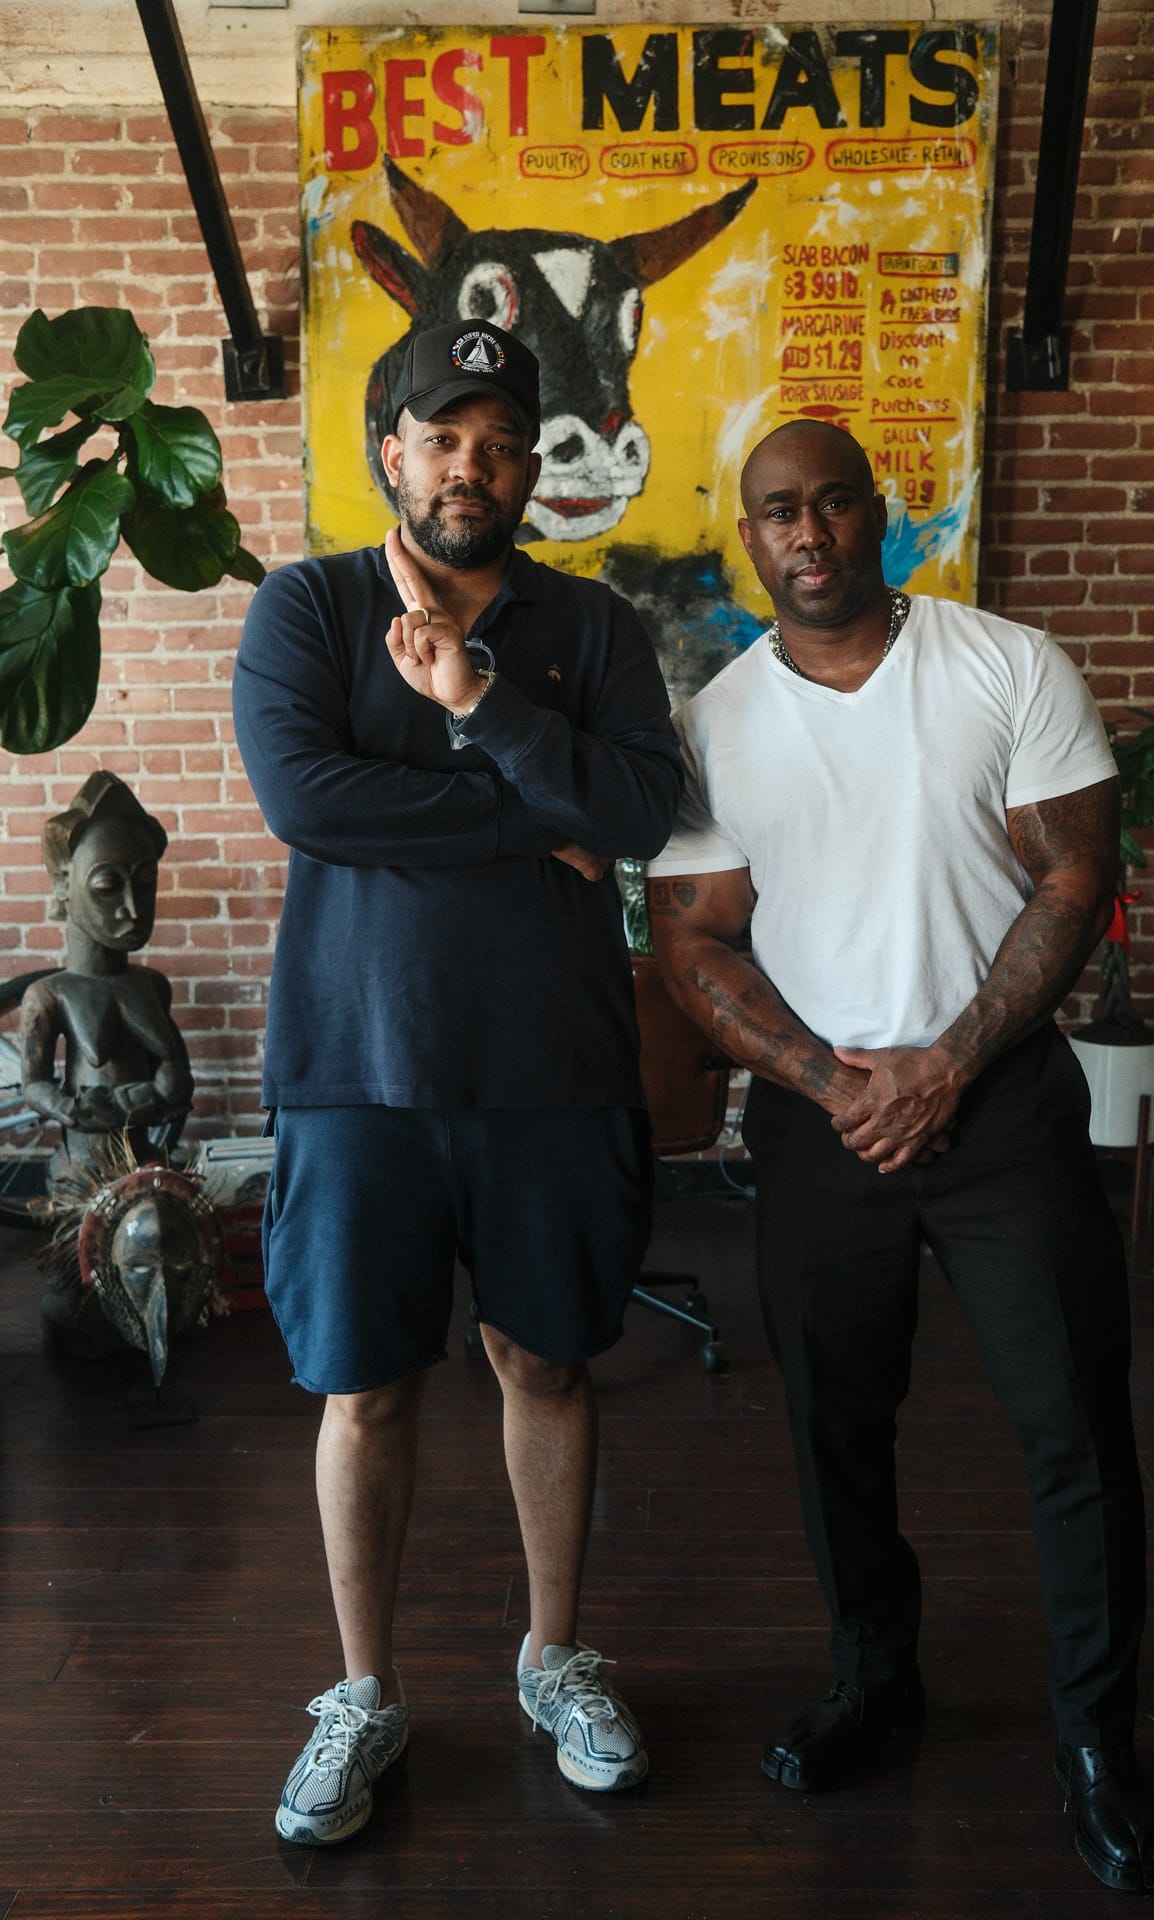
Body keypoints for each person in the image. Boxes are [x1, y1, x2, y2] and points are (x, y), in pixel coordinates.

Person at [646, 420, 1154, 1894]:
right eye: (775, 514)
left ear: (877, 514)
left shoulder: (1006, 664)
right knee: (836, 1434)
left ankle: (1097, 1740)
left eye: (830, 504)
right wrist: (833, 1078)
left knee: (1074, 1432)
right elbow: (689, 933)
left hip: (999, 1106)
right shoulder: (720, 723)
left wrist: (949, 1062)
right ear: (745, 538)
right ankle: (877, 1682)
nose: (806, 533)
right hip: (826, 1128)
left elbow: (1080, 871)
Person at [232, 319, 682, 1845]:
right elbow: (308, 799)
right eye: (444, 437)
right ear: (391, 452)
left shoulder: (592, 626)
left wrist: (484, 704)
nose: (472, 467)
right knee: (364, 1388)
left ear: (531, 465)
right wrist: (516, 810)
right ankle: (363, 1693)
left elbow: (633, 808)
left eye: (501, 442)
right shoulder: (310, 608)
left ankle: (555, 1657)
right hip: (355, 1070)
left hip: (550, 1065)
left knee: (546, 1364)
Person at [20, 770, 193, 1174]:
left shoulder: (152, 985)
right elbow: (35, 1085)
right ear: (64, 885)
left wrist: (163, 1090)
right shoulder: (48, 996)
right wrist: (69, 1107)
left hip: (145, 1159)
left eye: (146, 882)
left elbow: (177, 1072)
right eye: (107, 885)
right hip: (84, 1169)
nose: (133, 908)